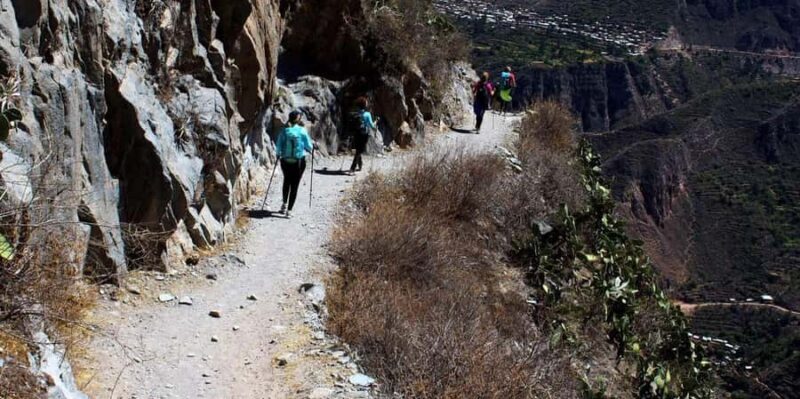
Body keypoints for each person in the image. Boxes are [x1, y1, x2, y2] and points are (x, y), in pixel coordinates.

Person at [275, 110, 314, 218]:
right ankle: (289, 210)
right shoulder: (302, 131)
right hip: (298, 162)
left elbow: (278, 146)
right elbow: (309, 146)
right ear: (298, 119)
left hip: (285, 161)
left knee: (286, 181)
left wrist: (278, 154)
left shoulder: (284, 131)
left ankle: (283, 204)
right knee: (295, 185)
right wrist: (311, 146)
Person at [349, 97, 379, 175]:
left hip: (356, 133)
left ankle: (360, 164)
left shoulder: (355, 113)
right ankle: (352, 168)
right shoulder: (367, 114)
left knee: (358, 150)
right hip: (364, 134)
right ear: (364, 105)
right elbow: (372, 126)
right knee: (359, 150)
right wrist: (376, 122)